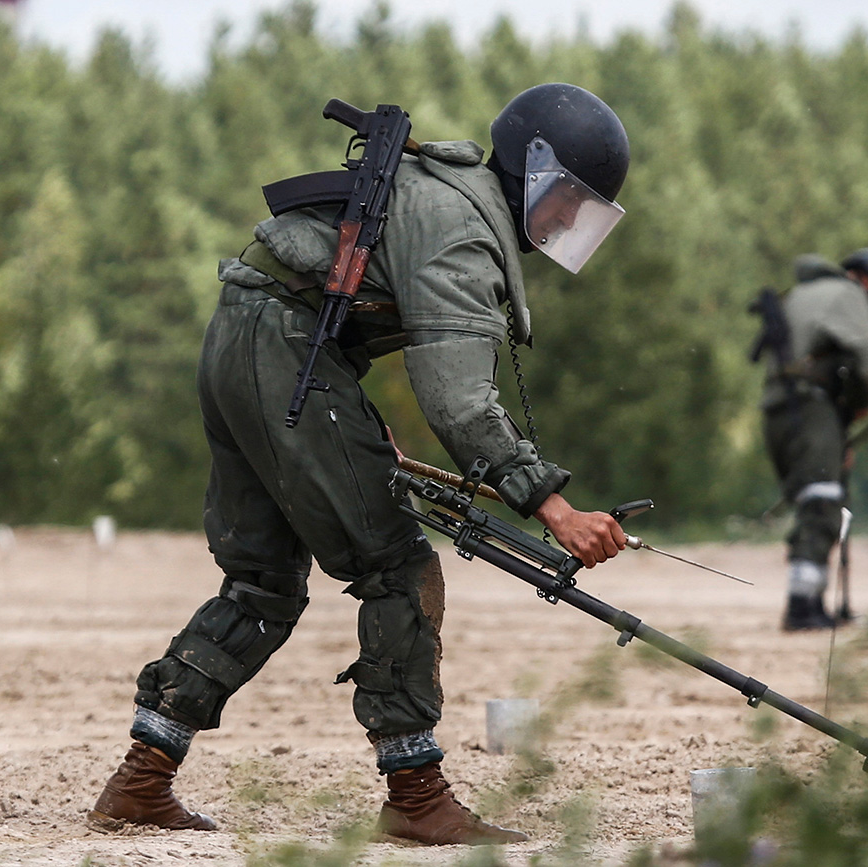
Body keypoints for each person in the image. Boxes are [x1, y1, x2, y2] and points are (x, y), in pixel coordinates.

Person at [87, 83, 632, 846]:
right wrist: (554, 508)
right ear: (533, 169)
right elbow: (461, 405)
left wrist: (343, 424)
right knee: (400, 569)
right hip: (284, 353)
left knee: (262, 582)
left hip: (244, 339)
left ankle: (139, 781)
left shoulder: (447, 197)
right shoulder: (460, 229)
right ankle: (415, 793)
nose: (570, 220)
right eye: (569, 200)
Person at [753, 249, 868, 630]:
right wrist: (861, 408)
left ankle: (809, 601)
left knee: (812, 500)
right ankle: (803, 607)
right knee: (823, 504)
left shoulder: (800, 293)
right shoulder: (848, 294)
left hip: (778, 412)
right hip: (812, 411)